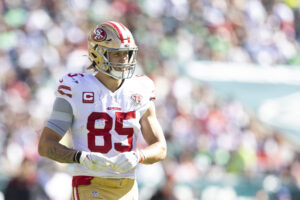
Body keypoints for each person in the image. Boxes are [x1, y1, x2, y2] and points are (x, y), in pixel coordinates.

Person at [38, 21, 167, 200]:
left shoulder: (141, 87)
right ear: (98, 54)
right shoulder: (75, 88)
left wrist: (139, 156)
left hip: (127, 185)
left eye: (127, 53)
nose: (124, 59)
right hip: (89, 182)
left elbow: (160, 148)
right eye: (117, 54)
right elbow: (46, 145)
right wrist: (80, 157)